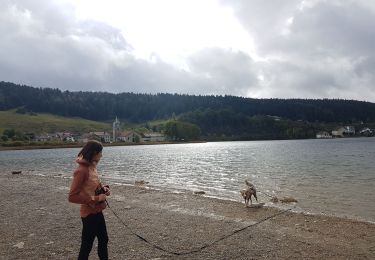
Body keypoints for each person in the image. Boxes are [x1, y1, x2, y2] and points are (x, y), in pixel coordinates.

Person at [68, 140, 110, 260]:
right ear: (95, 152)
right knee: (87, 245)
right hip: (88, 214)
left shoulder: (92, 166)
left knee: (104, 239)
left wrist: (104, 189)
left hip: (97, 211)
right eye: (100, 153)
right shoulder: (81, 171)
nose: (102, 155)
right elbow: (72, 197)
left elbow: (95, 184)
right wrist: (96, 198)